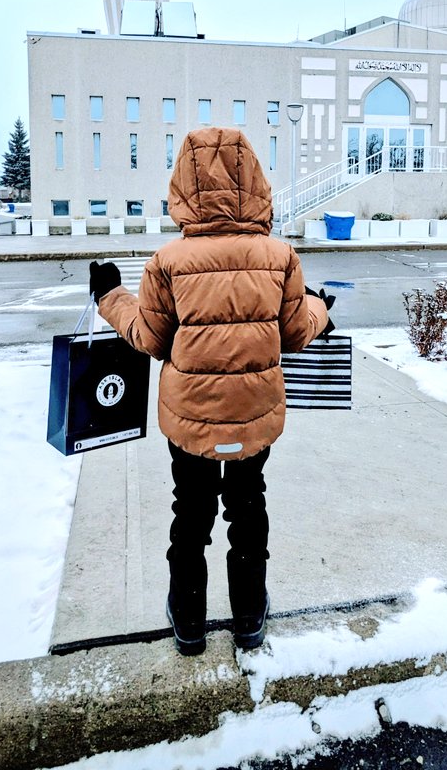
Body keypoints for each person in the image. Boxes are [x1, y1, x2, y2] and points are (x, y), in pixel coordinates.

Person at [89, 127, 332, 655]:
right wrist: (320, 307)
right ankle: (248, 616)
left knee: (191, 511)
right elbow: (295, 333)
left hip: (190, 418)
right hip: (255, 414)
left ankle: (190, 621)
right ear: (254, 183)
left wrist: (110, 296)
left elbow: (150, 339)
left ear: (183, 186)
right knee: (248, 507)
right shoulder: (280, 257)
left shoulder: (168, 262)